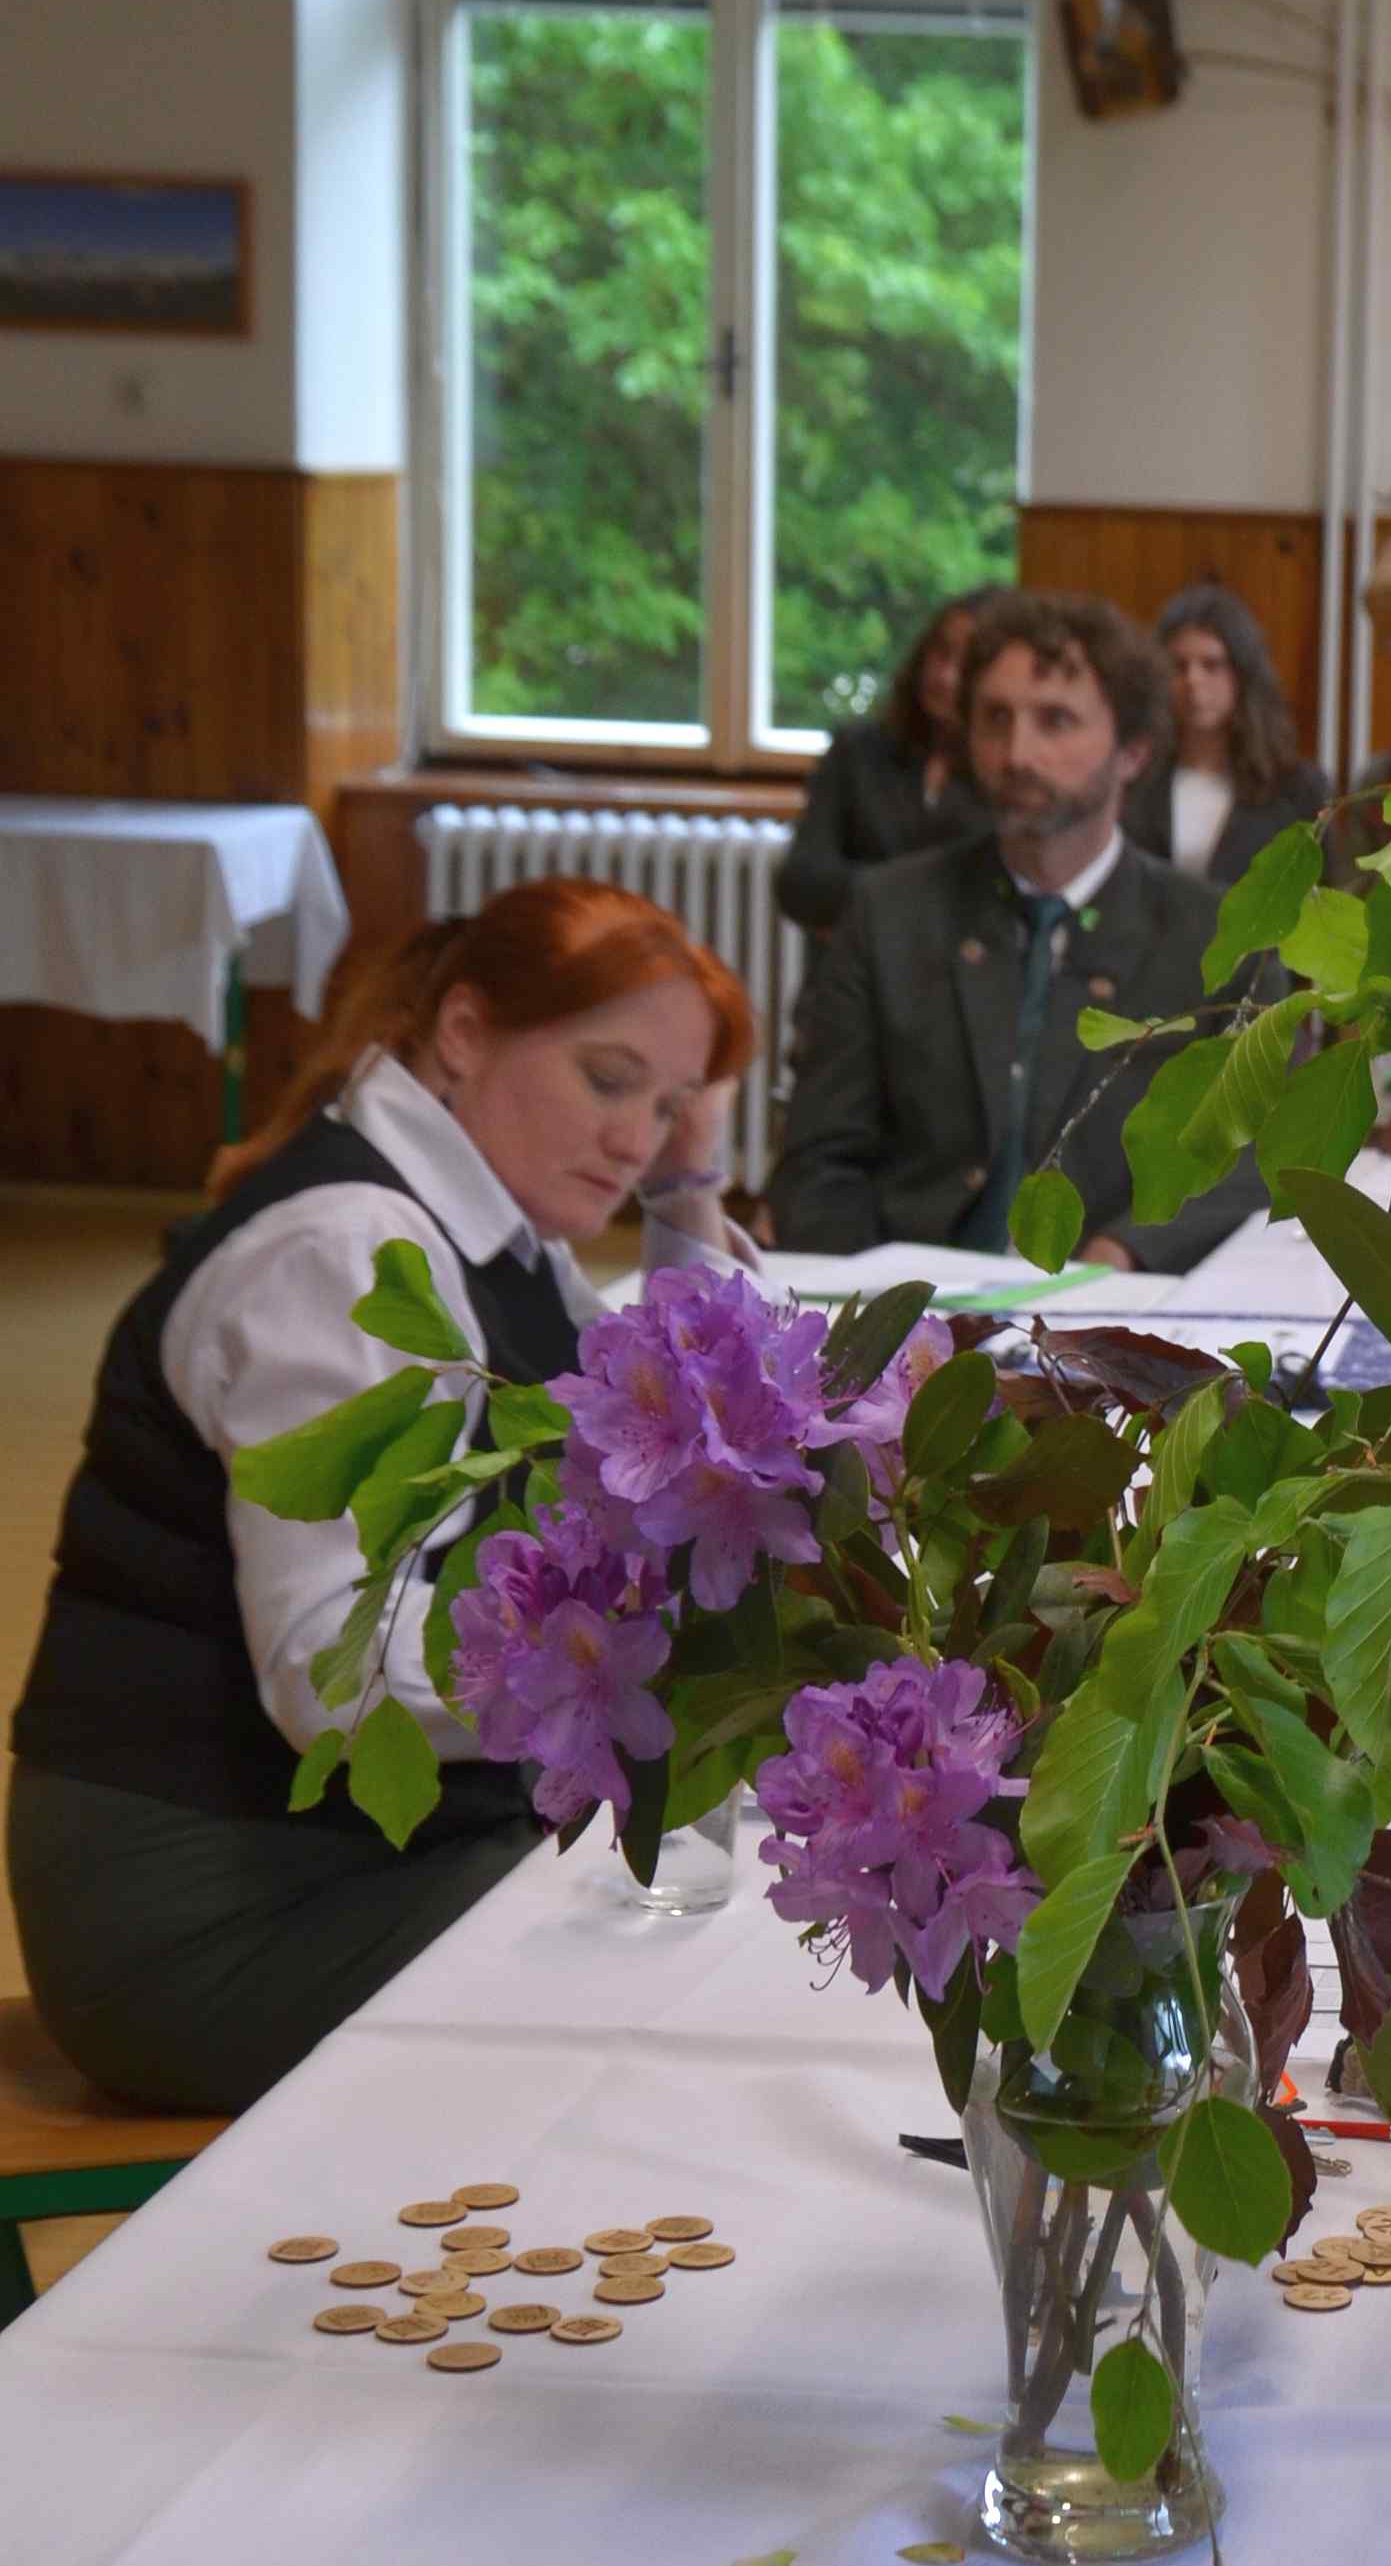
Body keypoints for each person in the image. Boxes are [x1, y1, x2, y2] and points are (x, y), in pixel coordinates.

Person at [7, 885, 755, 2115]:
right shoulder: (347, 1252)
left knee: (719, 1882)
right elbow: (332, 1675)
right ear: (463, 1033)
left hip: (336, 1850)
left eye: (668, 1105)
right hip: (211, 1906)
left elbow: (676, 1388)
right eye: (609, 1080)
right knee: (707, 1941)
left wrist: (690, 1180)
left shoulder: (483, 1222)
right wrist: (647, 1678)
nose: (635, 1139)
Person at [767, 587, 1259, 1271]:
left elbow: (1252, 1161)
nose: (1016, 752)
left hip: (1118, 1303)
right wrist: (876, 1297)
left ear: (1133, 753)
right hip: (907, 1293)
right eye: (995, 719)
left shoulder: (1218, 937)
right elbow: (820, 1157)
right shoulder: (890, 913)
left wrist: (1123, 1255)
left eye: (1056, 721)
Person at [772, 587, 1004, 937]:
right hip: (848, 966)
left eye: (967, 663)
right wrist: (922, 895)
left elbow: (993, 903)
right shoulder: (858, 751)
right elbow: (801, 883)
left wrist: (862, 891)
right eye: (940, 652)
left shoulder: (1008, 772)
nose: (944, 675)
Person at [1124, 576, 1329, 898]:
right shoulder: (1132, 776)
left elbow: (1323, 896)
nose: (1193, 681)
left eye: (1211, 665)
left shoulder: (1296, 788)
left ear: (1242, 675)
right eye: (1179, 666)